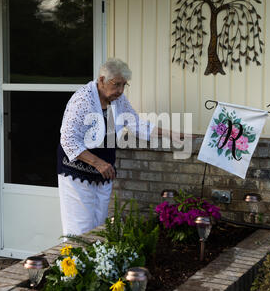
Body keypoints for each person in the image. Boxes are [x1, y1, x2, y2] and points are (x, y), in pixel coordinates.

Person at [57, 58, 187, 237]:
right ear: (101, 80)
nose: (120, 90)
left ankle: (94, 265)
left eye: (124, 85)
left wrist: (173, 134)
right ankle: (72, 264)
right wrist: (98, 163)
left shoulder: (118, 100)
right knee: (79, 230)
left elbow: (137, 124)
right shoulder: (82, 100)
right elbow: (69, 140)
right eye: (116, 84)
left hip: (103, 174)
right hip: (77, 173)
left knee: (98, 227)